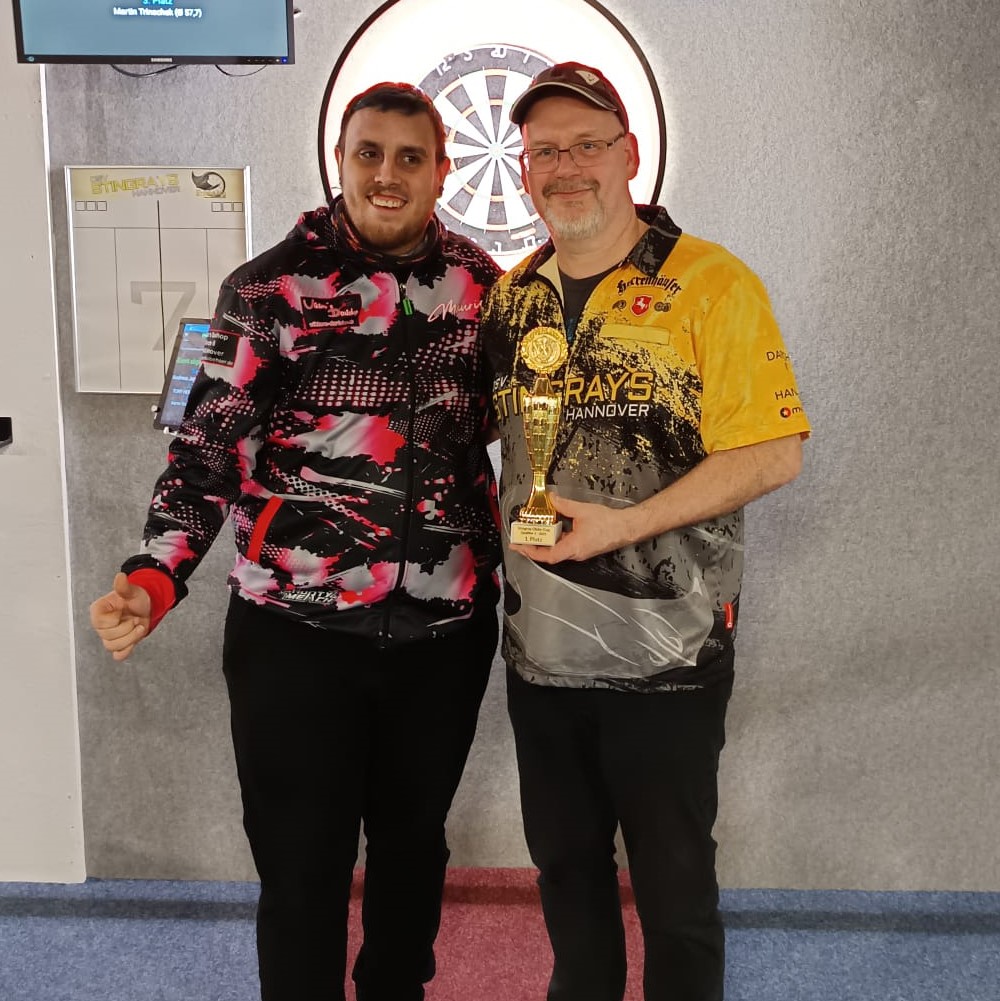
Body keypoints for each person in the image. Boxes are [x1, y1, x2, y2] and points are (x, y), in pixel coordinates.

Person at [90, 82, 503, 1001]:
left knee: (413, 855)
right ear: (339, 161)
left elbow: (520, 429)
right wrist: (155, 575)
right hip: (295, 636)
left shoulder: (485, 290)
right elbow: (206, 452)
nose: (388, 174)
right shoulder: (266, 290)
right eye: (369, 153)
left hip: (443, 634)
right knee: (302, 869)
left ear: (442, 170)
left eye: (410, 156)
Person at [480, 62, 812, 1001]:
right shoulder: (512, 298)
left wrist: (625, 524)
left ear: (630, 154)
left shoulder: (711, 282)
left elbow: (775, 451)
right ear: (524, 170)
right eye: (545, 151)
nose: (566, 166)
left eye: (587, 145)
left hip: (668, 657)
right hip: (540, 656)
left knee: (675, 897)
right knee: (567, 881)